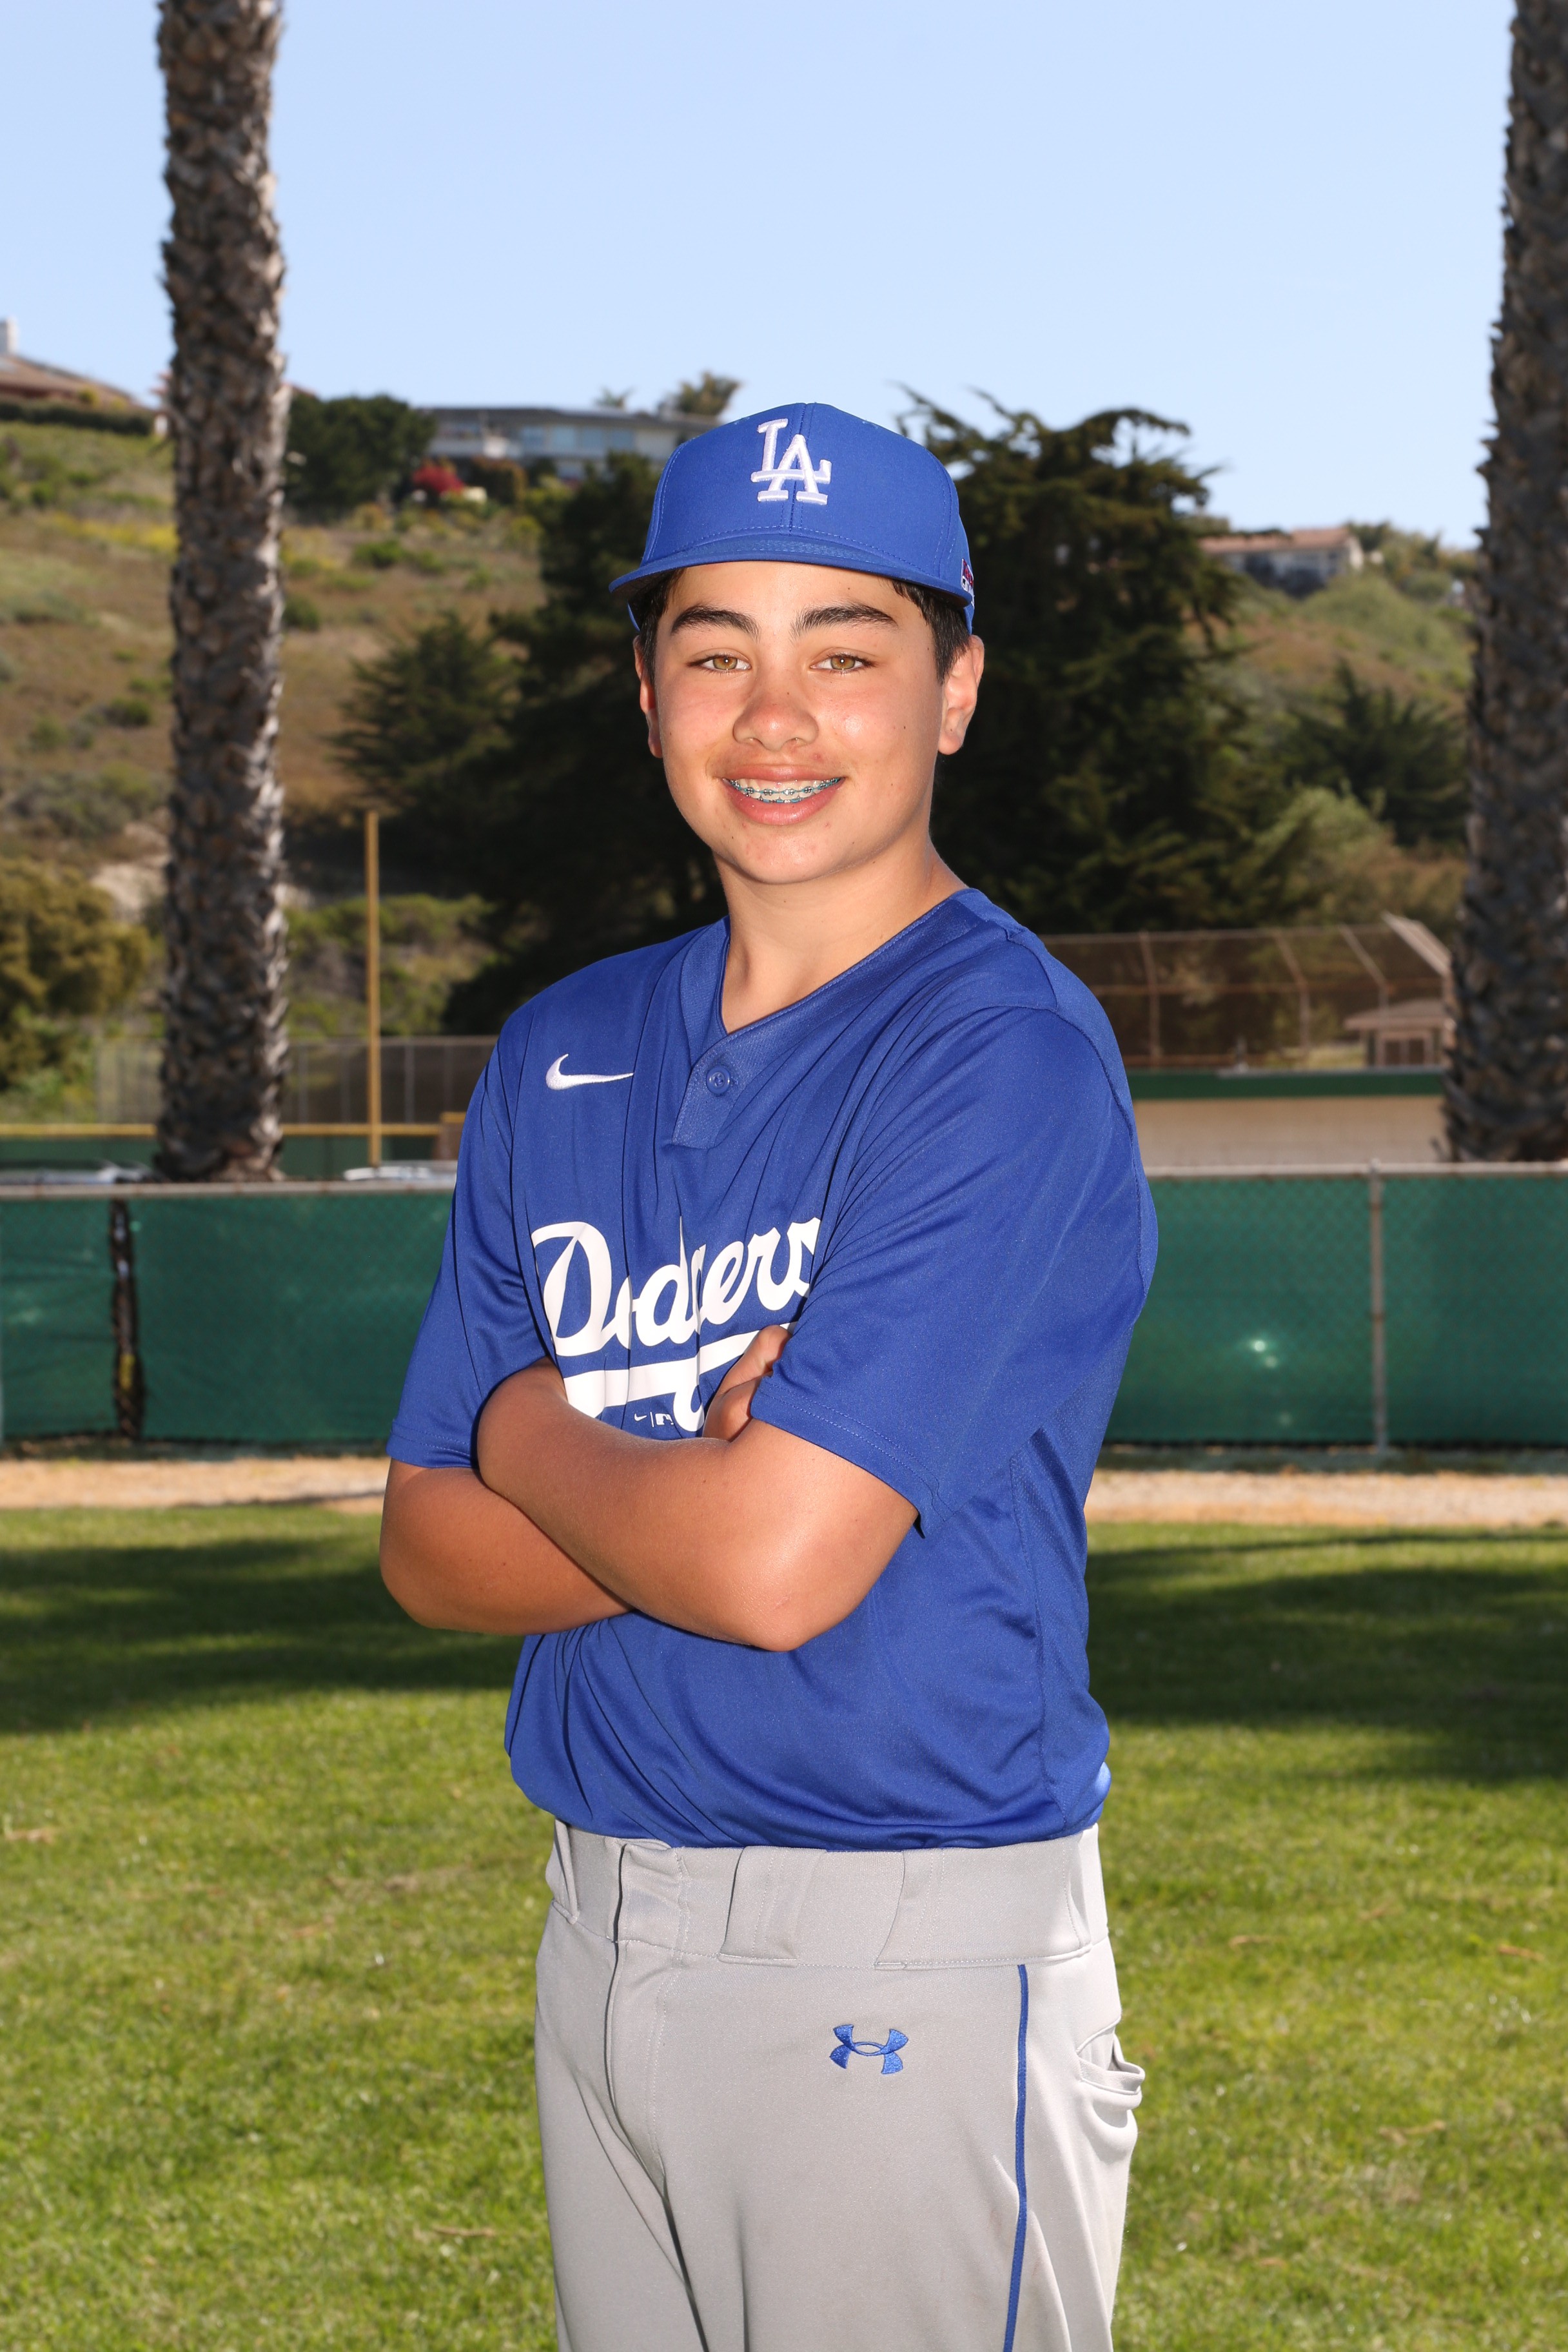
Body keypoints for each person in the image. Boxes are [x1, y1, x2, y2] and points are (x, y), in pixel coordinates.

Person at [380, 402, 1156, 2352]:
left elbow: (772, 1568)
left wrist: (532, 1427)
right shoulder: (559, 1048)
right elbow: (427, 1554)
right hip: (598, 1921)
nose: (777, 716)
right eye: (717, 652)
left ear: (954, 692)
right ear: (647, 693)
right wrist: (686, 1478)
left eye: (848, 651)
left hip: (895, 1939)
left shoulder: (999, 1052)